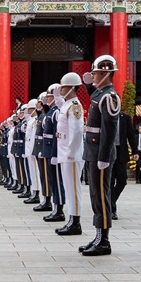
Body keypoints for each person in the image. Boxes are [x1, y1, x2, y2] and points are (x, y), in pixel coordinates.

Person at [79, 55, 122, 257]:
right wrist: (87, 86)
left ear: (105, 74)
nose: (93, 76)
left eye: (95, 73)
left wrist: (104, 156)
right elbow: (94, 100)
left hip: (100, 153)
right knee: (95, 195)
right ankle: (98, 236)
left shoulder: (110, 96)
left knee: (102, 197)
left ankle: (104, 241)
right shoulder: (100, 94)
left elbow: (109, 130)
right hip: (92, 151)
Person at [55, 73, 85, 236]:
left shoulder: (74, 106)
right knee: (68, 187)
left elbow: (77, 131)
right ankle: (71, 219)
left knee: (73, 188)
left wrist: (71, 153)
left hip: (71, 154)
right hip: (64, 151)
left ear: (72, 88)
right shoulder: (66, 105)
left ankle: (75, 222)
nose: (61, 89)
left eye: (64, 87)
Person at [41, 87, 65, 222]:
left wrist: (55, 153)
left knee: (57, 181)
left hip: (53, 150)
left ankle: (59, 209)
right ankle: (56, 208)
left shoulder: (56, 112)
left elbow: (57, 134)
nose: (48, 98)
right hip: (48, 149)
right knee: (52, 180)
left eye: (49, 96)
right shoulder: (51, 111)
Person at [111, 107, 138, 220]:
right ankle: (112, 210)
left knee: (122, 180)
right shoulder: (104, 116)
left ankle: (111, 201)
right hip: (108, 153)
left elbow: (130, 135)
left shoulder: (125, 118)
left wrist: (135, 151)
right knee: (110, 182)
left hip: (121, 152)